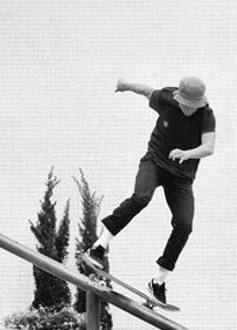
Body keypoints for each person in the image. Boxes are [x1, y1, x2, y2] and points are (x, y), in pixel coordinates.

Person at [91, 76, 216, 305]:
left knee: (185, 224)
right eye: (185, 105)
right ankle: (99, 246)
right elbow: (145, 90)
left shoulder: (206, 114)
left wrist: (187, 153)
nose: (189, 110)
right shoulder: (167, 98)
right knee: (141, 198)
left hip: (181, 176)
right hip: (155, 162)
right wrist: (125, 84)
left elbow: (209, 147)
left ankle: (158, 281)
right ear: (179, 98)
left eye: (193, 107)